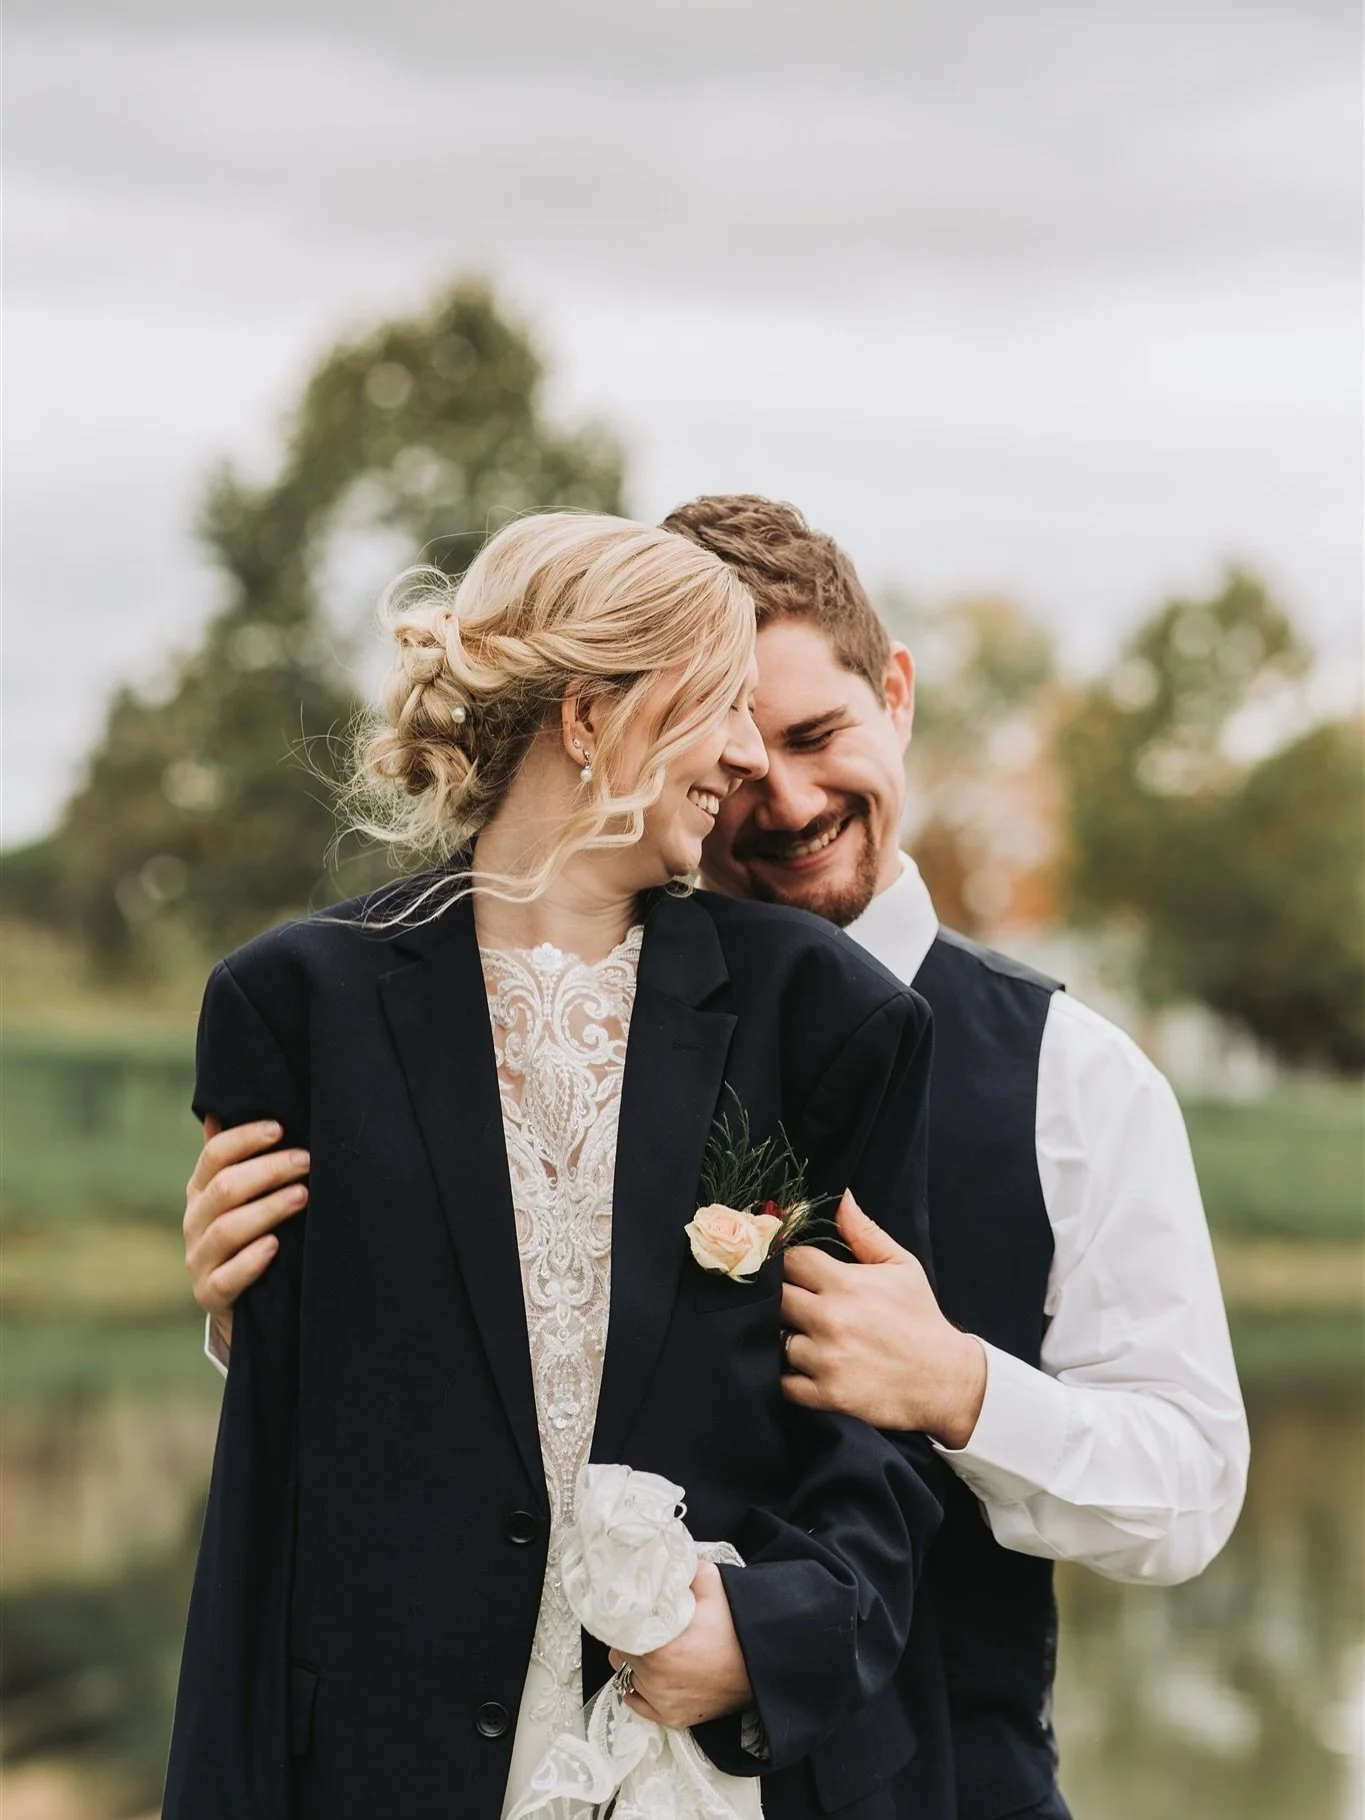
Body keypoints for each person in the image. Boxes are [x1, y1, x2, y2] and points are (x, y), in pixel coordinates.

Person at [184, 496, 1251, 1820]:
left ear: (897, 695)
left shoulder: (1074, 1079)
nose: (777, 787)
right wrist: (266, 1318)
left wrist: (961, 1388)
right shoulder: (378, 1002)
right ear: (603, 715)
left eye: (815, 734)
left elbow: (1191, 1486)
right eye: (736, 746)